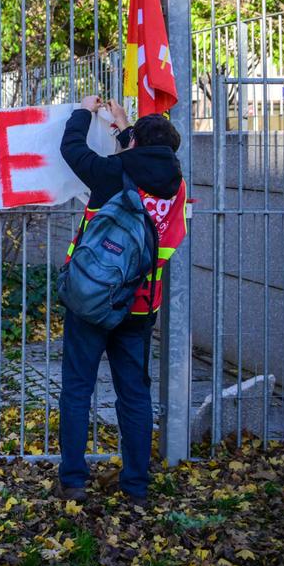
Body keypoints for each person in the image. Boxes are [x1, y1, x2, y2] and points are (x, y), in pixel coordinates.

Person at [57, 94, 186, 508]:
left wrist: (83, 110)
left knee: (78, 389)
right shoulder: (177, 186)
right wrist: (125, 124)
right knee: (134, 395)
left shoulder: (112, 172)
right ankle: (136, 487)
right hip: (141, 306)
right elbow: (146, 154)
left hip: (93, 300)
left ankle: (73, 481)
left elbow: (71, 148)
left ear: (134, 145)